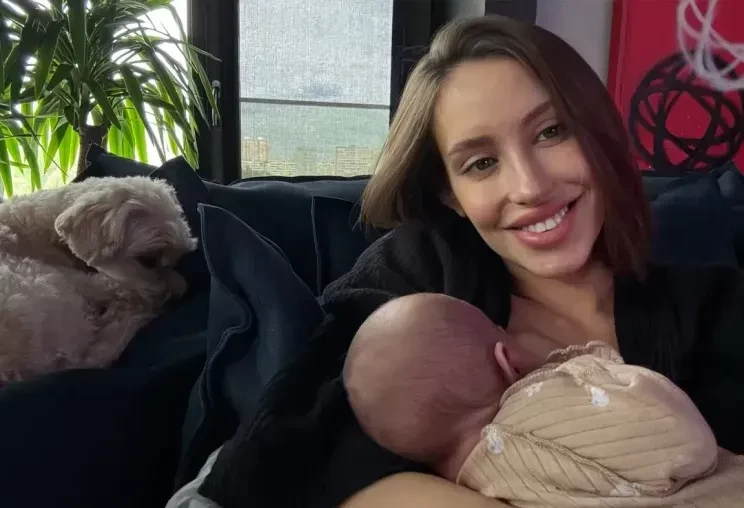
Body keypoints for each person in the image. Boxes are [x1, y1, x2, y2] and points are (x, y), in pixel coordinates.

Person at [195, 14, 744, 508]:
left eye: (551, 131)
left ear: (597, 131)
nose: (530, 187)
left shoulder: (712, 306)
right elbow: (274, 461)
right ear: (450, 194)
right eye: (481, 163)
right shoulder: (418, 277)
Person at [344, 293, 744, 507]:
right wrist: (582, 365)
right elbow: (687, 442)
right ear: (508, 359)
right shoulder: (548, 405)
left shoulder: (477, 485)